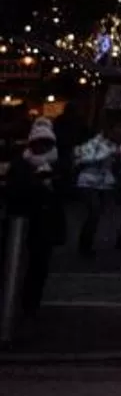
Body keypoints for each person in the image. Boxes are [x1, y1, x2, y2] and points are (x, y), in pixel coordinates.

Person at [4, 121, 67, 321]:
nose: (41, 147)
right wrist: (36, 185)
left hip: (45, 222)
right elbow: (12, 190)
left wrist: (52, 183)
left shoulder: (58, 164)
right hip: (22, 220)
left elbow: (67, 190)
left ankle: (30, 302)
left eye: (45, 143)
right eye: (38, 143)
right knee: (13, 261)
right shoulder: (21, 164)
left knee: (39, 264)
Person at [70, 124, 121, 256]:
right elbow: (83, 159)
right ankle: (84, 244)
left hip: (104, 184)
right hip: (88, 181)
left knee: (97, 214)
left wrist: (118, 160)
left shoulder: (117, 147)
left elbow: (119, 168)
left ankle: (88, 242)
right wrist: (106, 155)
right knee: (94, 211)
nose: (119, 135)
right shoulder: (94, 144)